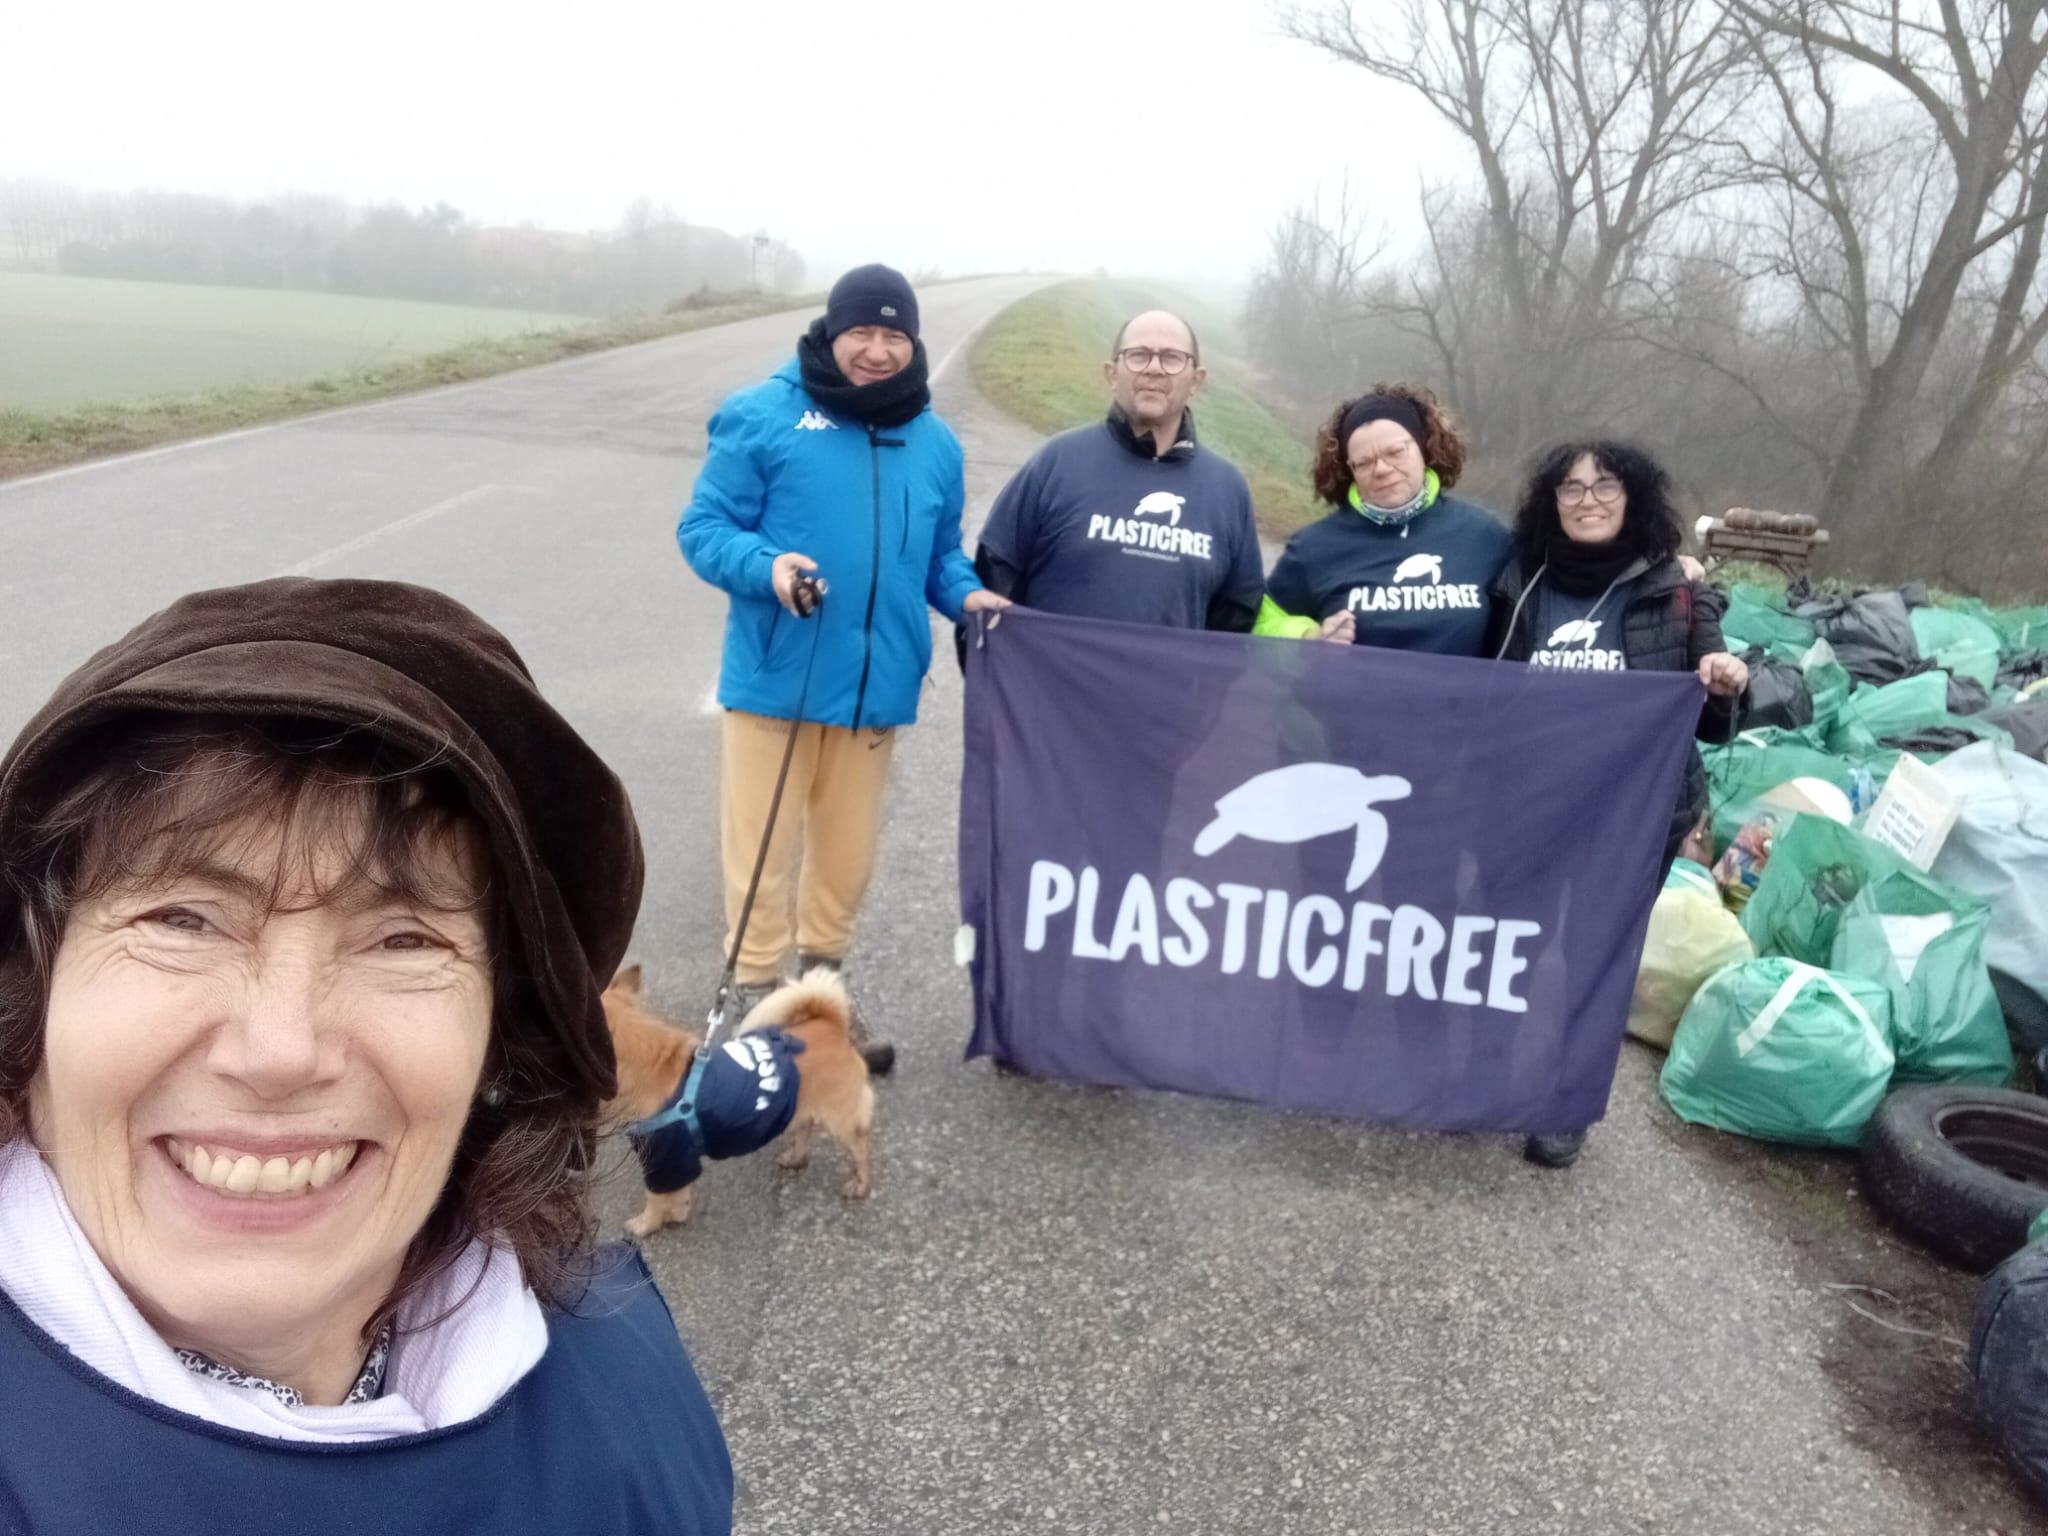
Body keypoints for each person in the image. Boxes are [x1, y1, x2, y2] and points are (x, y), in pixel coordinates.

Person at [0, 576, 805, 1532]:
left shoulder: (623, 1361)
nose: (281, 1050)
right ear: (33, 992)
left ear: (501, 1037)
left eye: (403, 940)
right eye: (181, 918)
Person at [679, 263, 1007, 1073]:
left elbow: (937, 558)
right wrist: (768, 566)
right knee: (762, 853)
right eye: (862, 331)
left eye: (894, 335)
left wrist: (968, 598)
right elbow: (703, 527)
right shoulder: (762, 415)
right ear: (832, 332)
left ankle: (822, 1004)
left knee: (845, 861)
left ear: (913, 343)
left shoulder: (933, 441)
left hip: (877, 689)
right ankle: (758, 1006)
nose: (876, 350)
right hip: (777, 682)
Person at [1488, 440, 1750, 1169]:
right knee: (1509, 940)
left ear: (1633, 497)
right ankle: (1489, 1077)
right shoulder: (1520, 576)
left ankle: (1564, 1103)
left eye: (1604, 486)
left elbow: (1713, 717)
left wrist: (1727, 682)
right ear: (1552, 502)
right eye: (1570, 489)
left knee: (1593, 956)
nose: (1587, 500)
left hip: (1634, 813)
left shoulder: (1677, 590)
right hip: (1531, 799)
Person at [970, 309, 1265, 631]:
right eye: (1138, 355)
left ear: (1196, 379)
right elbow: (992, 582)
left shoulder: (1226, 488)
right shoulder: (1057, 462)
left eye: (1172, 357)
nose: (1154, 368)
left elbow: (1237, 616)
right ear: (1112, 373)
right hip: (1051, 681)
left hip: (1166, 684)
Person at [1257, 384, 1511, 654]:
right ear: (1348, 470)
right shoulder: (1312, 547)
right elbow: (1261, 626)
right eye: (1364, 463)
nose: (1381, 470)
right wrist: (1309, 637)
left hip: (1465, 697)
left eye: (1395, 453)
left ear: (1425, 448)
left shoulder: (1485, 534)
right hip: (1352, 697)